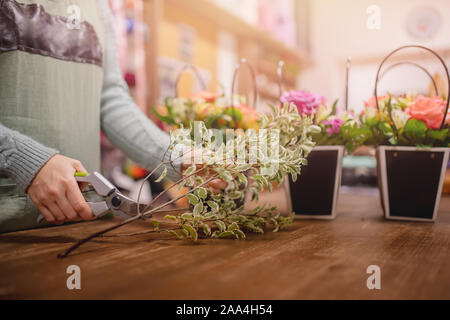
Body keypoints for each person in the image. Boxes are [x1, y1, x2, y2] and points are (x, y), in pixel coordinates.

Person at [0, 0, 225, 233]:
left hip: (81, 223)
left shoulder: (98, 5)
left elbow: (110, 101)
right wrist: (23, 160)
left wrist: (178, 158)